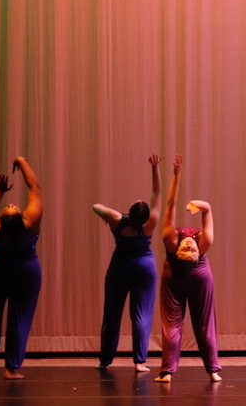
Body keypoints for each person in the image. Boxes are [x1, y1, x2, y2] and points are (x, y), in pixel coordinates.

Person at [154, 154, 222, 383]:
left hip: (187, 276)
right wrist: (198, 204)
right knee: (173, 324)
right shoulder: (204, 243)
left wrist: (176, 175)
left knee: (203, 323)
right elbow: (207, 210)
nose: (191, 246)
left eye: (190, 249)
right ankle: (168, 371)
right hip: (181, 276)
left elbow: (171, 205)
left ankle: (212, 369)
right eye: (191, 250)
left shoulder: (171, 241)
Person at [93, 154, 162, 372]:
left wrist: (120, 216)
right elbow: (157, 194)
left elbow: (96, 207)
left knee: (112, 313)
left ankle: (105, 360)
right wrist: (155, 168)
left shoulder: (117, 221)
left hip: (120, 266)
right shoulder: (150, 224)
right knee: (141, 314)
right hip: (144, 267)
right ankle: (139, 362)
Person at [0, 156, 43, 379]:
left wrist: (0, 192)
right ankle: (10, 368)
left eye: (8, 208)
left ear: (1, 221)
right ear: (21, 217)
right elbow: (34, 186)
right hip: (27, 271)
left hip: (0, 271)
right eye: (11, 207)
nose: (11, 204)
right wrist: (22, 161)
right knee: (20, 317)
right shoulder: (31, 222)